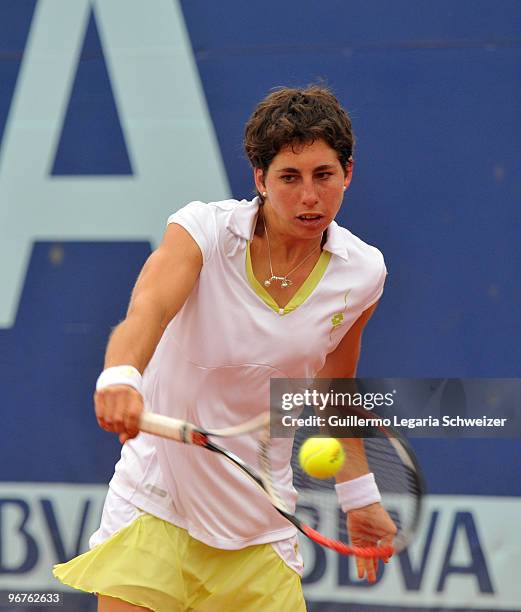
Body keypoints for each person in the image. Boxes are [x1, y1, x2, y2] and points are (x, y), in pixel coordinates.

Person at [53, 85, 396, 611]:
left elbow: (334, 387)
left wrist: (360, 494)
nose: (309, 196)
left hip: (261, 527)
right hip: (156, 507)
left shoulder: (363, 271)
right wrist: (121, 375)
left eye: (324, 175)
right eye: (289, 177)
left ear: (347, 173)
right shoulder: (203, 232)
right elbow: (149, 309)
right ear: (260, 179)